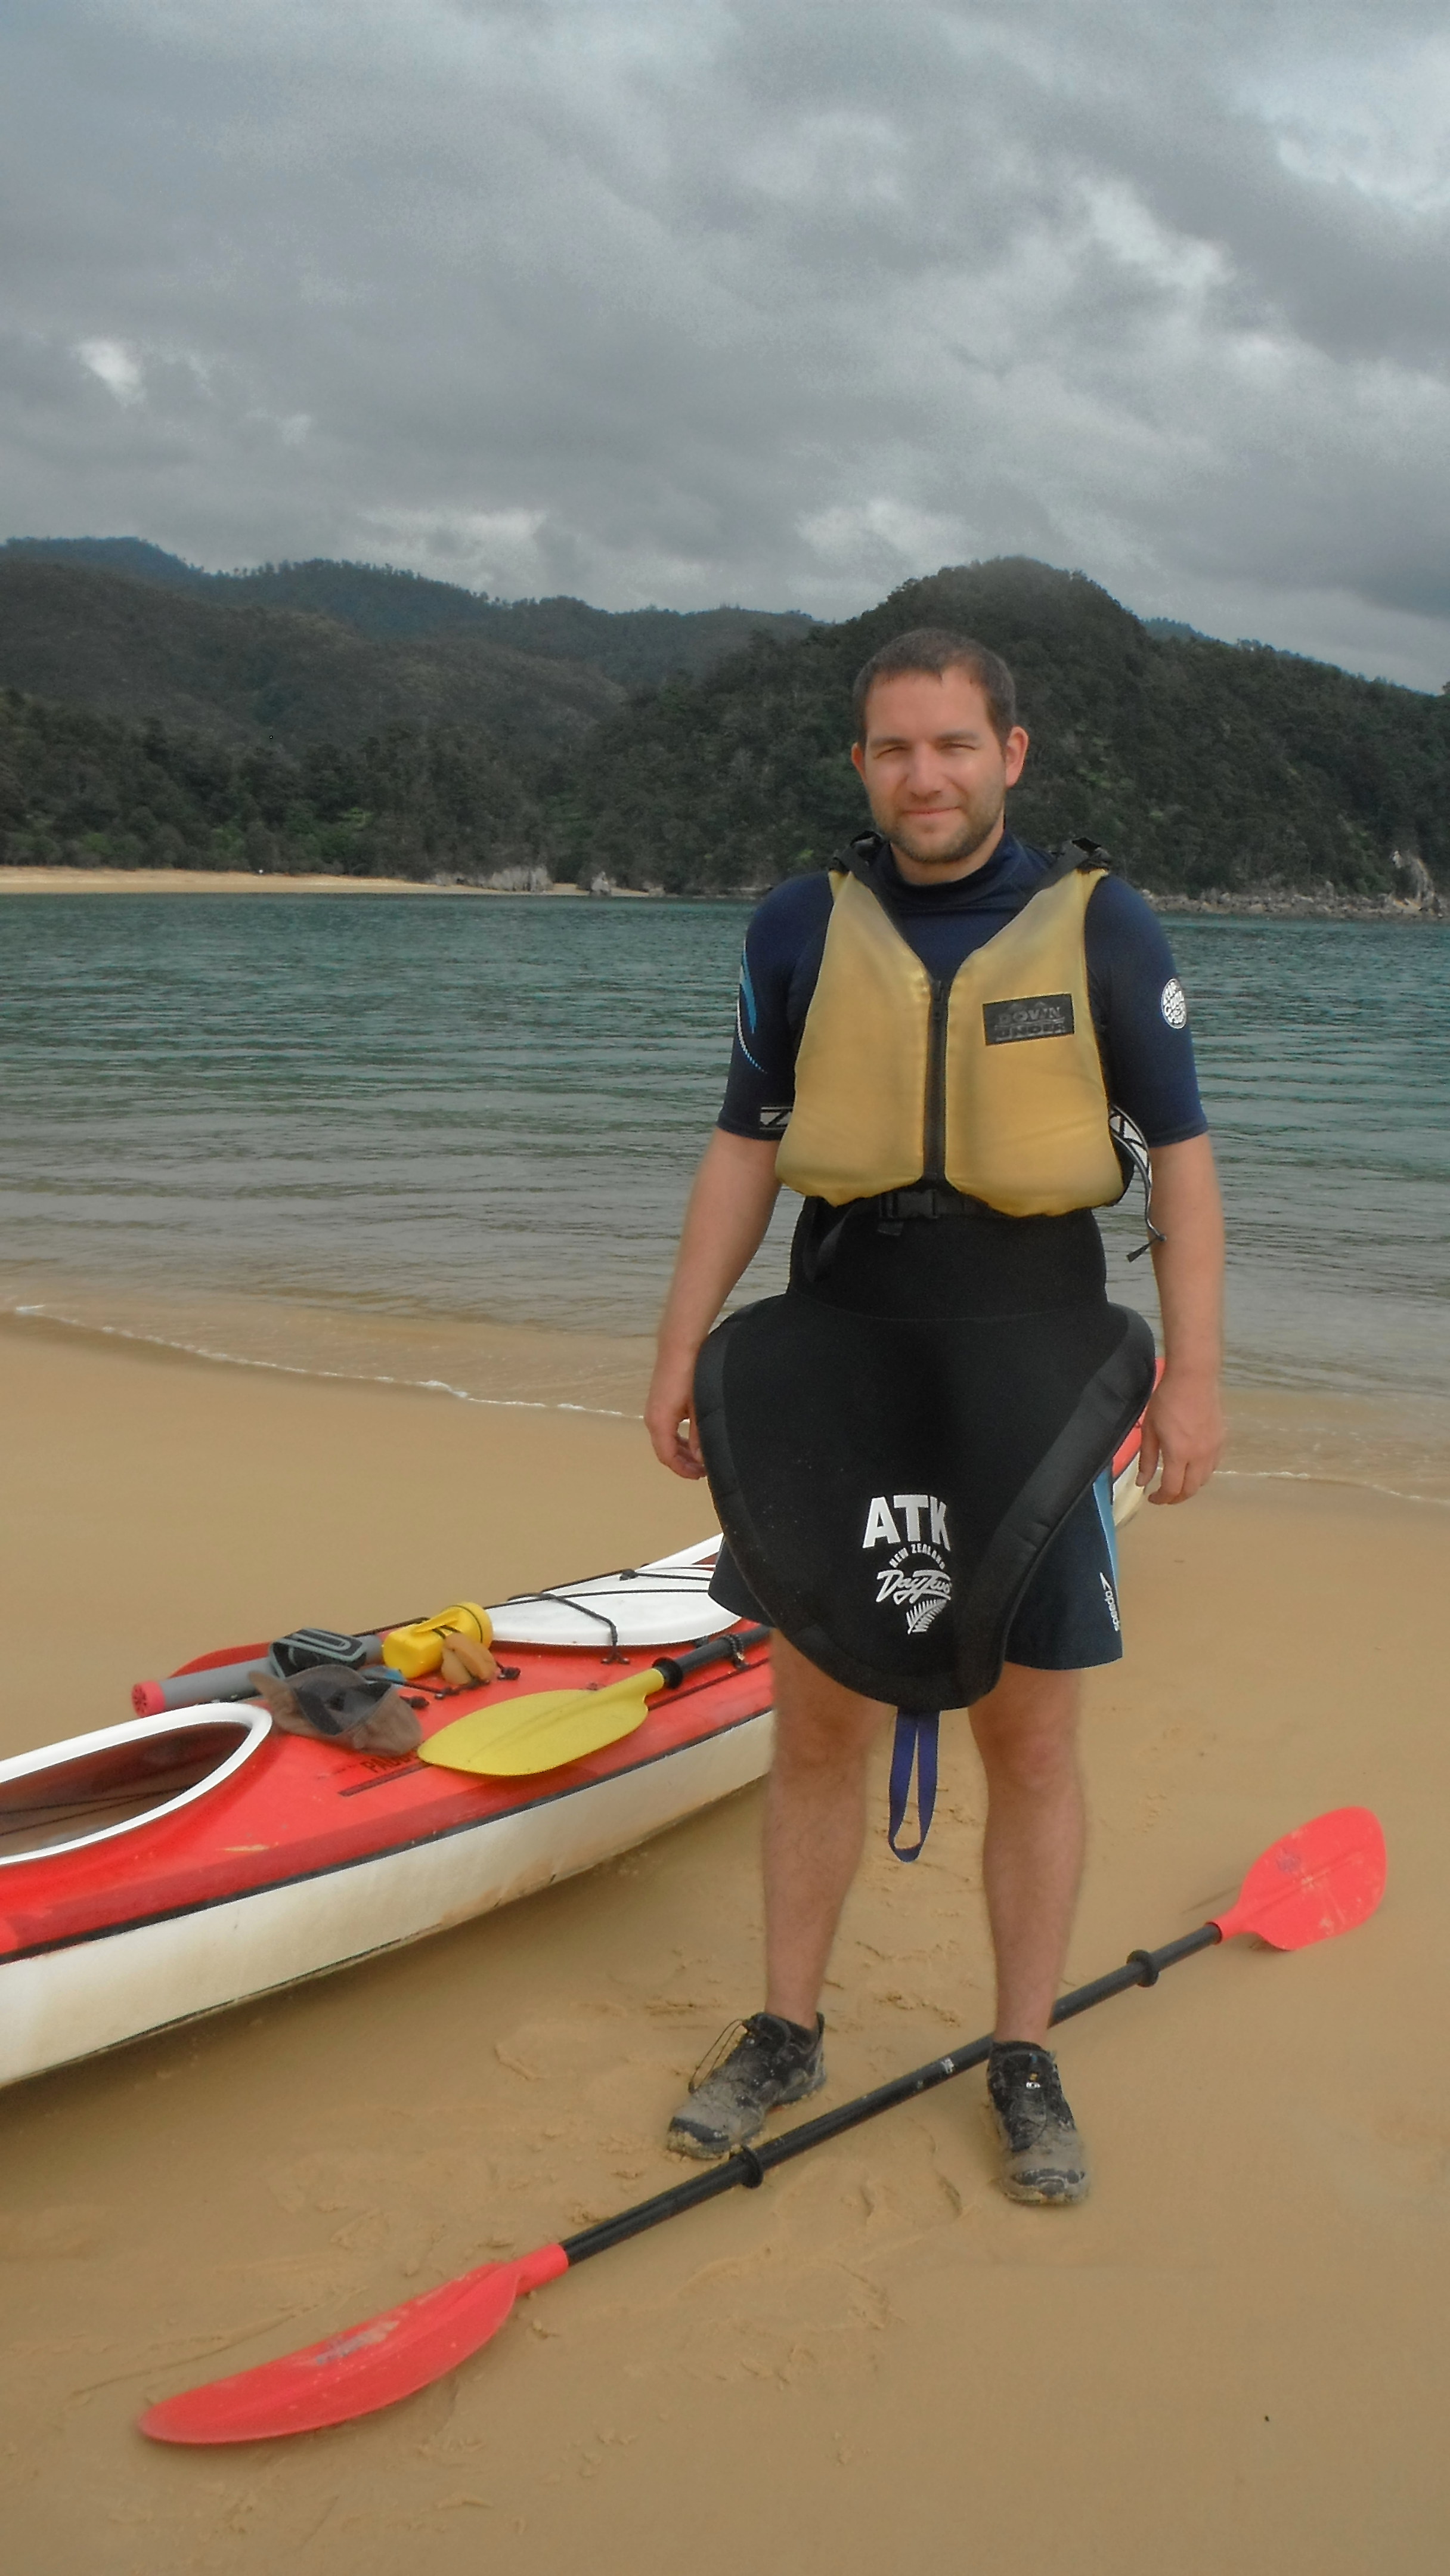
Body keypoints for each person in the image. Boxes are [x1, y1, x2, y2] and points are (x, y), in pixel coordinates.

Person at [645, 628, 1224, 2203]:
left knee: (1029, 1737)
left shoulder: (1102, 927)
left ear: (1009, 755)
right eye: (895, 749)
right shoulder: (797, 926)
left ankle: (1024, 2052)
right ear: (862, 763)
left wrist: (1195, 1376)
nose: (926, 776)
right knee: (817, 1719)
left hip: (1031, 1361)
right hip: (839, 1354)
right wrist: (681, 1348)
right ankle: (786, 2027)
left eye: (954, 745)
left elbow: (1181, 1165)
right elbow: (743, 1148)